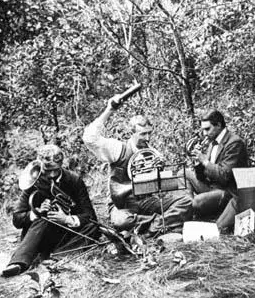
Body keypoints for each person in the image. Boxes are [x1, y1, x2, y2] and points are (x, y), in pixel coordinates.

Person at [82, 94, 193, 235]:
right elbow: (89, 138)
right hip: (124, 204)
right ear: (131, 132)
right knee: (121, 221)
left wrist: (163, 174)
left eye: (149, 133)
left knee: (186, 201)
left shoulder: (153, 152)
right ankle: (162, 224)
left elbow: (160, 184)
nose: (147, 138)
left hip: (147, 200)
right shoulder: (118, 149)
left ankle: (151, 225)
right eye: (143, 134)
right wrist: (109, 109)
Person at [2, 145, 100, 277]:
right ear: (40, 166)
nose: (52, 175)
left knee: (93, 227)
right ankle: (18, 263)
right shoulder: (33, 181)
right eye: (47, 170)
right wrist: (35, 213)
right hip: (41, 234)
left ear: (61, 164)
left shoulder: (74, 180)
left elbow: (89, 215)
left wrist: (66, 219)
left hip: (67, 233)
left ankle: (57, 257)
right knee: (42, 218)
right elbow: (17, 219)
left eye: (55, 170)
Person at [181, 109, 248, 231]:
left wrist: (204, 161)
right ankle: (190, 209)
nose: (205, 133)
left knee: (196, 202)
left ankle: (192, 209)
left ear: (219, 125)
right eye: (203, 130)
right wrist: (198, 164)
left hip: (228, 191)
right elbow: (204, 176)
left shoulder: (234, 143)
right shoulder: (213, 142)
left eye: (207, 129)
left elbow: (225, 176)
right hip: (213, 186)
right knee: (184, 173)